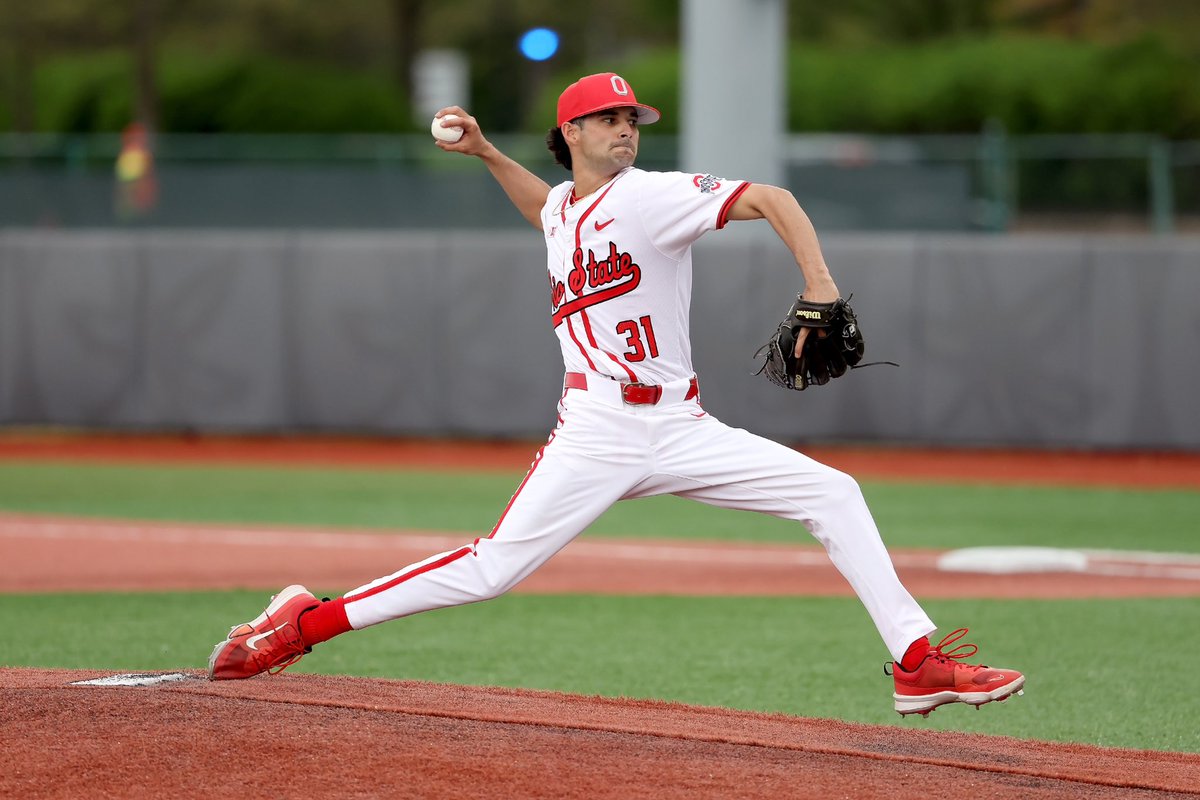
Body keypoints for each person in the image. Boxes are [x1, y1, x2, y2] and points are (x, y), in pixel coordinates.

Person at [208, 73, 1025, 717]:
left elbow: (773, 199)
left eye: (632, 118)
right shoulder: (568, 206)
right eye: (608, 119)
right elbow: (547, 210)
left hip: (680, 424)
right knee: (492, 570)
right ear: (571, 132)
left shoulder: (650, 194)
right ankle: (302, 622)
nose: (626, 128)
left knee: (832, 493)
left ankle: (916, 663)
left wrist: (820, 284)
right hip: (597, 427)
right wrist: (488, 153)